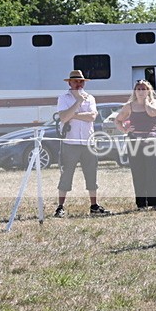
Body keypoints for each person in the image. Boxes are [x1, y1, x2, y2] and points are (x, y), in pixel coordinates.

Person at [54, 70, 109, 217]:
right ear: (69, 83)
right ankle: (60, 206)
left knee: (91, 174)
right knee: (66, 174)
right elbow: (64, 117)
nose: (79, 84)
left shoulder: (90, 98)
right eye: (76, 81)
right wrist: (78, 102)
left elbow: (92, 116)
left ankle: (94, 205)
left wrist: (74, 114)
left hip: (88, 142)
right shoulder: (63, 98)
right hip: (70, 142)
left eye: (81, 81)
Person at [114, 80, 156, 211]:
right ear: (135, 91)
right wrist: (125, 130)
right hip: (134, 141)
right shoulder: (129, 106)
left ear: (148, 90)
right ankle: (142, 204)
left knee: (154, 171)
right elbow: (118, 120)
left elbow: (153, 113)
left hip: (151, 141)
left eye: (143, 89)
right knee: (138, 171)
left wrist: (146, 102)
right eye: (138, 89)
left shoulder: (154, 104)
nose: (141, 91)